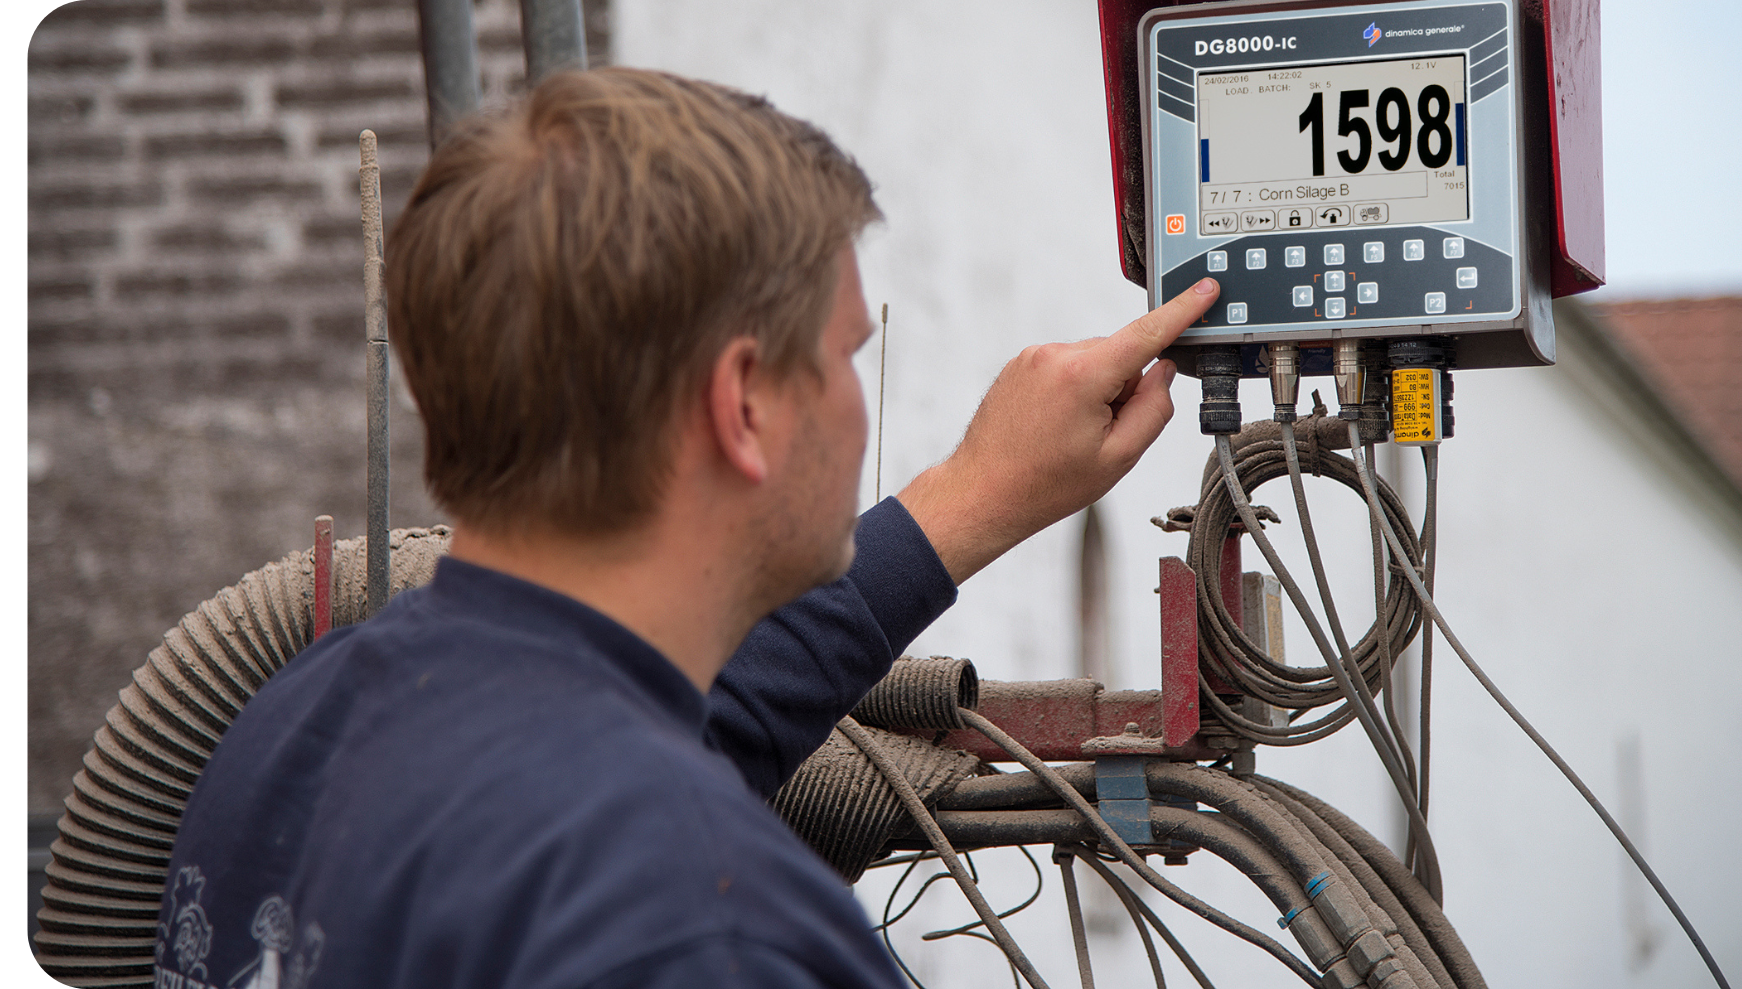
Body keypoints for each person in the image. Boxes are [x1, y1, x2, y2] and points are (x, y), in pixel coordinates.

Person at [155, 67, 1217, 989]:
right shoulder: (710, 927)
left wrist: (980, 492)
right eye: (848, 353)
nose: (857, 396)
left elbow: (679, 711)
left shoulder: (292, 728)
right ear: (742, 404)